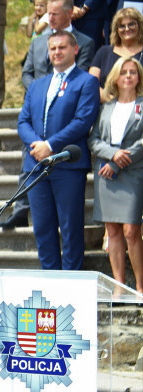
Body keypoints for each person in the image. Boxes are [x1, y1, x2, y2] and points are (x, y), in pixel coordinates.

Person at [18, 29, 99, 270]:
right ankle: (50, 280)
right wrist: (37, 145)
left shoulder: (86, 81)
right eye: (53, 48)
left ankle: (71, 281)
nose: (56, 52)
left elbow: (82, 121)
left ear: (75, 50)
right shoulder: (36, 85)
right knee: (42, 228)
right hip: (36, 165)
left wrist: (50, 146)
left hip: (68, 165)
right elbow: (23, 121)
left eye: (62, 47)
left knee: (71, 227)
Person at [88, 56, 143, 292]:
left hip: (133, 171)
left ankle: (140, 286)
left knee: (132, 231)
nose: (128, 76)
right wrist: (112, 155)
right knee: (112, 231)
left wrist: (118, 162)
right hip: (106, 173)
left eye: (133, 72)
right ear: (116, 78)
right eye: (124, 72)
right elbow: (93, 140)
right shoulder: (106, 108)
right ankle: (119, 286)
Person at [89, 8, 143, 101]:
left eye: (131, 24)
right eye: (122, 26)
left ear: (140, 26)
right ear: (116, 29)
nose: (127, 29)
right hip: (106, 106)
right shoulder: (104, 52)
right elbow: (91, 83)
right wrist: (112, 101)